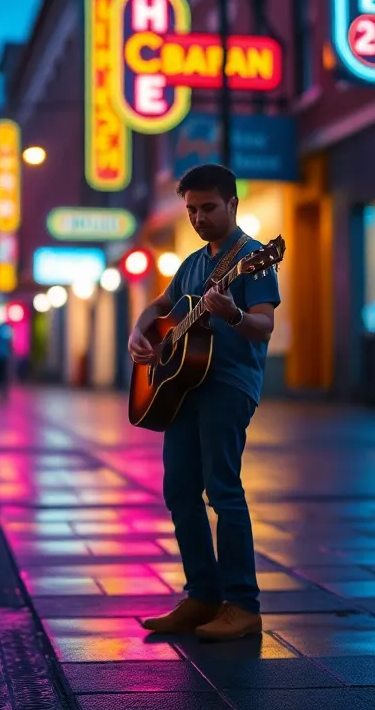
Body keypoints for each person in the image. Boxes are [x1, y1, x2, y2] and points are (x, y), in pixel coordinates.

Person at [127, 164, 281, 642]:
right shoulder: (193, 262)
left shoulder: (255, 257)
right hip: (183, 386)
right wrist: (140, 330)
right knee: (179, 492)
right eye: (191, 209)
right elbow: (161, 307)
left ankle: (243, 604)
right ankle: (201, 596)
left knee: (223, 490)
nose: (198, 217)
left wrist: (233, 313)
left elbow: (263, 325)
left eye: (208, 208)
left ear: (233, 204)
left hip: (229, 385)